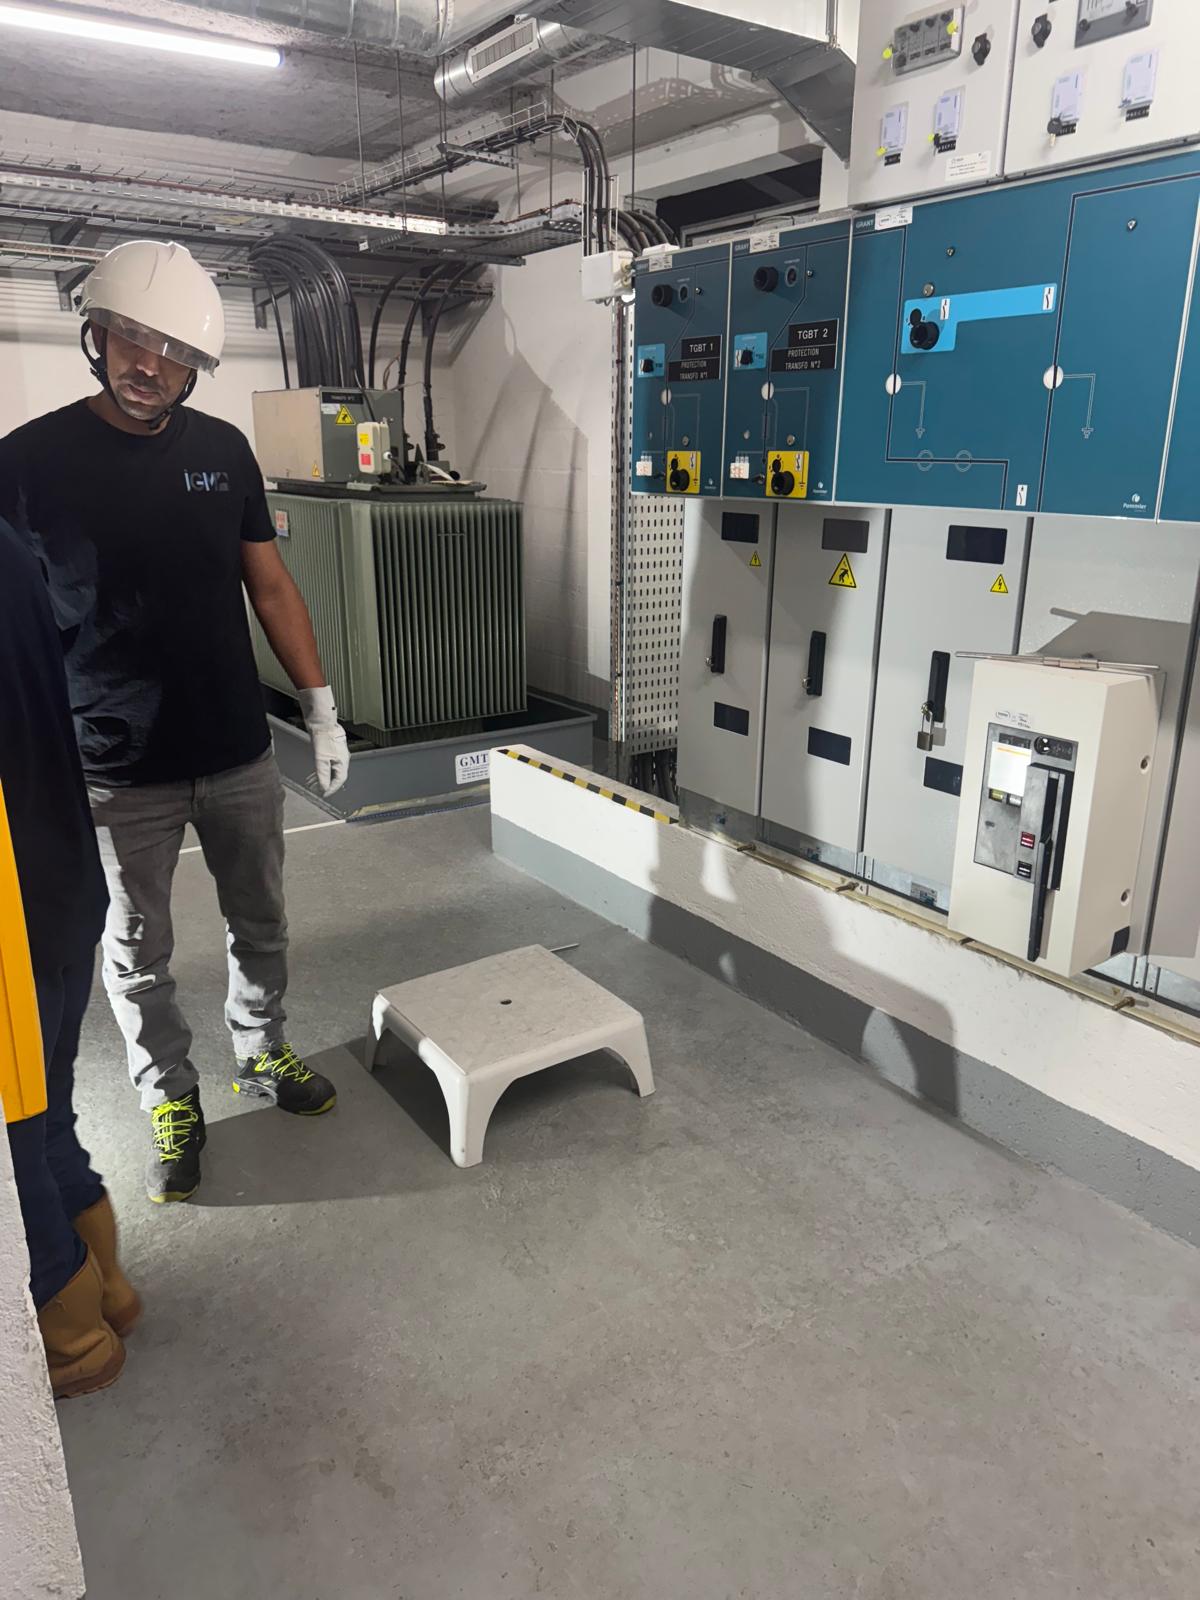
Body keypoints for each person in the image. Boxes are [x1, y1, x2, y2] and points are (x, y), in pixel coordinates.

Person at [0, 239, 350, 1206]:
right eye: (131, 338)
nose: (149, 364)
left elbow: (268, 584)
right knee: (136, 952)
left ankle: (262, 1049)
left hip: (236, 749)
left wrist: (320, 711)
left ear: (196, 366)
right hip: (112, 765)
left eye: (174, 351)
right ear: (97, 335)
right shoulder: (25, 463)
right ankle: (171, 1095)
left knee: (261, 920)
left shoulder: (224, 452)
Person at [1, 514, 135, 1397]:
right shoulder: (9, 545)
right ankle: (106, 1291)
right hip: (59, 880)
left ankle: (70, 1333)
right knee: (45, 1119)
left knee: (15, 1143)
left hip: (10, 907)